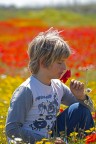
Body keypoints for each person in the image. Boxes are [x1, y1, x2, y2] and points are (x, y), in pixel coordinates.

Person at [5, 27, 94, 144]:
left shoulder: (58, 86)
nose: (64, 68)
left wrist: (81, 97)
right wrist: (47, 141)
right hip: (31, 141)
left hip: (51, 136)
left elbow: (89, 111)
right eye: (59, 62)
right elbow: (12, 130)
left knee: (81, 110)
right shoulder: (27, 90)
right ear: (43, 62)